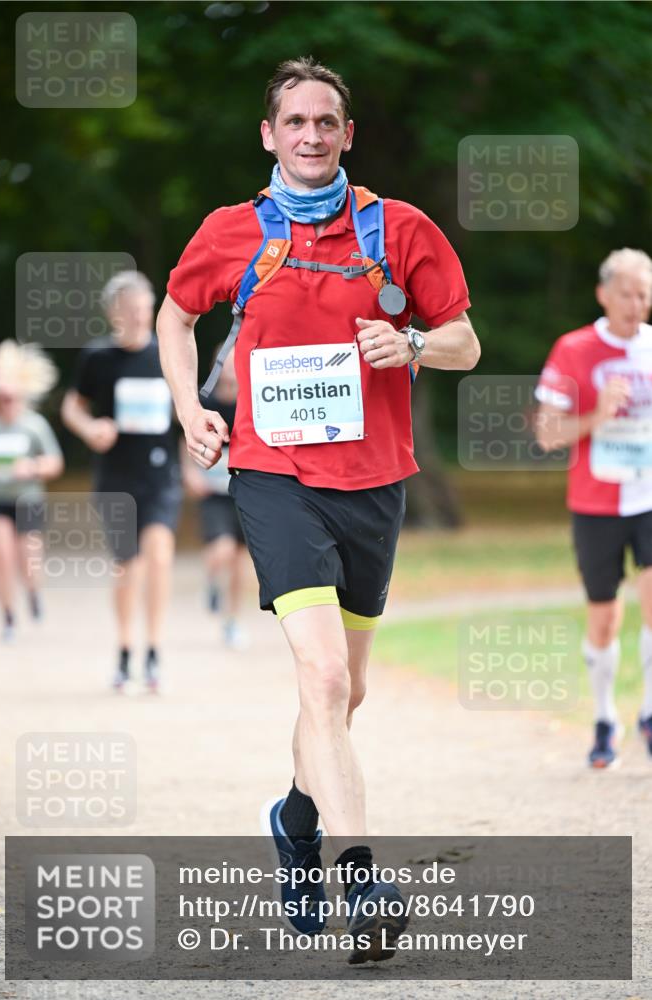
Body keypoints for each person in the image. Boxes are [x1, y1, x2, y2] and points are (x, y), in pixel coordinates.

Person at [157, 57, 479, 962]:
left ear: (346, 134)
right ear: (268, 135)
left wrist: (408, 339)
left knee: (350, 690)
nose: (308, 135)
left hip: (375, 482)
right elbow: (174, 317)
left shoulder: (398, 228)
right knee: (325, 681)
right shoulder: (233, 231)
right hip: (273, 476)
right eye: (292, 121)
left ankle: (294, 823)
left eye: (324, 122)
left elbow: (462, 339)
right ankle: (359, 871)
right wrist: (190, 409)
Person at [536, 248, 652, 768]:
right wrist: (597, 416)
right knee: (603, 619)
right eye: (626, 293)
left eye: (644, 294)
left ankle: (649, 714)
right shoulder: (574, 349)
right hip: (596, 503)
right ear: (604, 295)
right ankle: (606, 718)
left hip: (648, 497)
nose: (636, 303)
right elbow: (546, 435)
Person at [61, 271, 182, 694]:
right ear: (113, 312)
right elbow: (72, 407)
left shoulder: (167, 353)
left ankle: (153, 651)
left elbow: (186, 408)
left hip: (160, 474)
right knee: (127, 566)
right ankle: (125, 649)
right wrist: (91, 427)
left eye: (145, 310)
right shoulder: (97, 358)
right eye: (130, 310)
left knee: (160, 555)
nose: (139, 318)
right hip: (115, 477)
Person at [0, 340, 64, 640]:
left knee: (28, 559)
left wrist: (30, 468)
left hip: (27, 500)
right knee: (1, 556)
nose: (6, 403)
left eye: (10, 398)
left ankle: (33, 591)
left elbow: (55, 463)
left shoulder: (34, 426)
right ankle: (7, 615)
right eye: (0, 398)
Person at [181, 346, 249, 650]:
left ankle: (232, 620)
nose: (232, 372)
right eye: (228, 366)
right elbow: (185, 440)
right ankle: (210, 582)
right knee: (220, 549)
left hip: (244, 491)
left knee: (239, 561)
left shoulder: (252, 401)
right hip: (213, 491)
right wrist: (190, 474)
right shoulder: (204, 402)